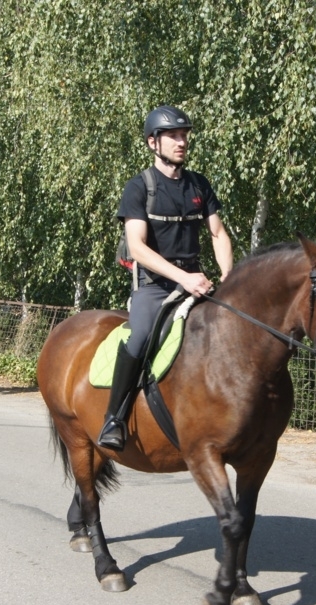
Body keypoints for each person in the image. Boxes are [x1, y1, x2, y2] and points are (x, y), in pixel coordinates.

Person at [97, 105, 234, 451]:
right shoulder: (139, 187)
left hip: (196, 283)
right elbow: (138, 248)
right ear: (152, 143)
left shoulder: (199, 184)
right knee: (141, 337)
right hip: (154, 287)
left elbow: (218, 234)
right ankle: (114, 418)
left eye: (184, 135)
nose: (181, 141)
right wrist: (183, 278)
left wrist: (229, 277)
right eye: (173, 135)